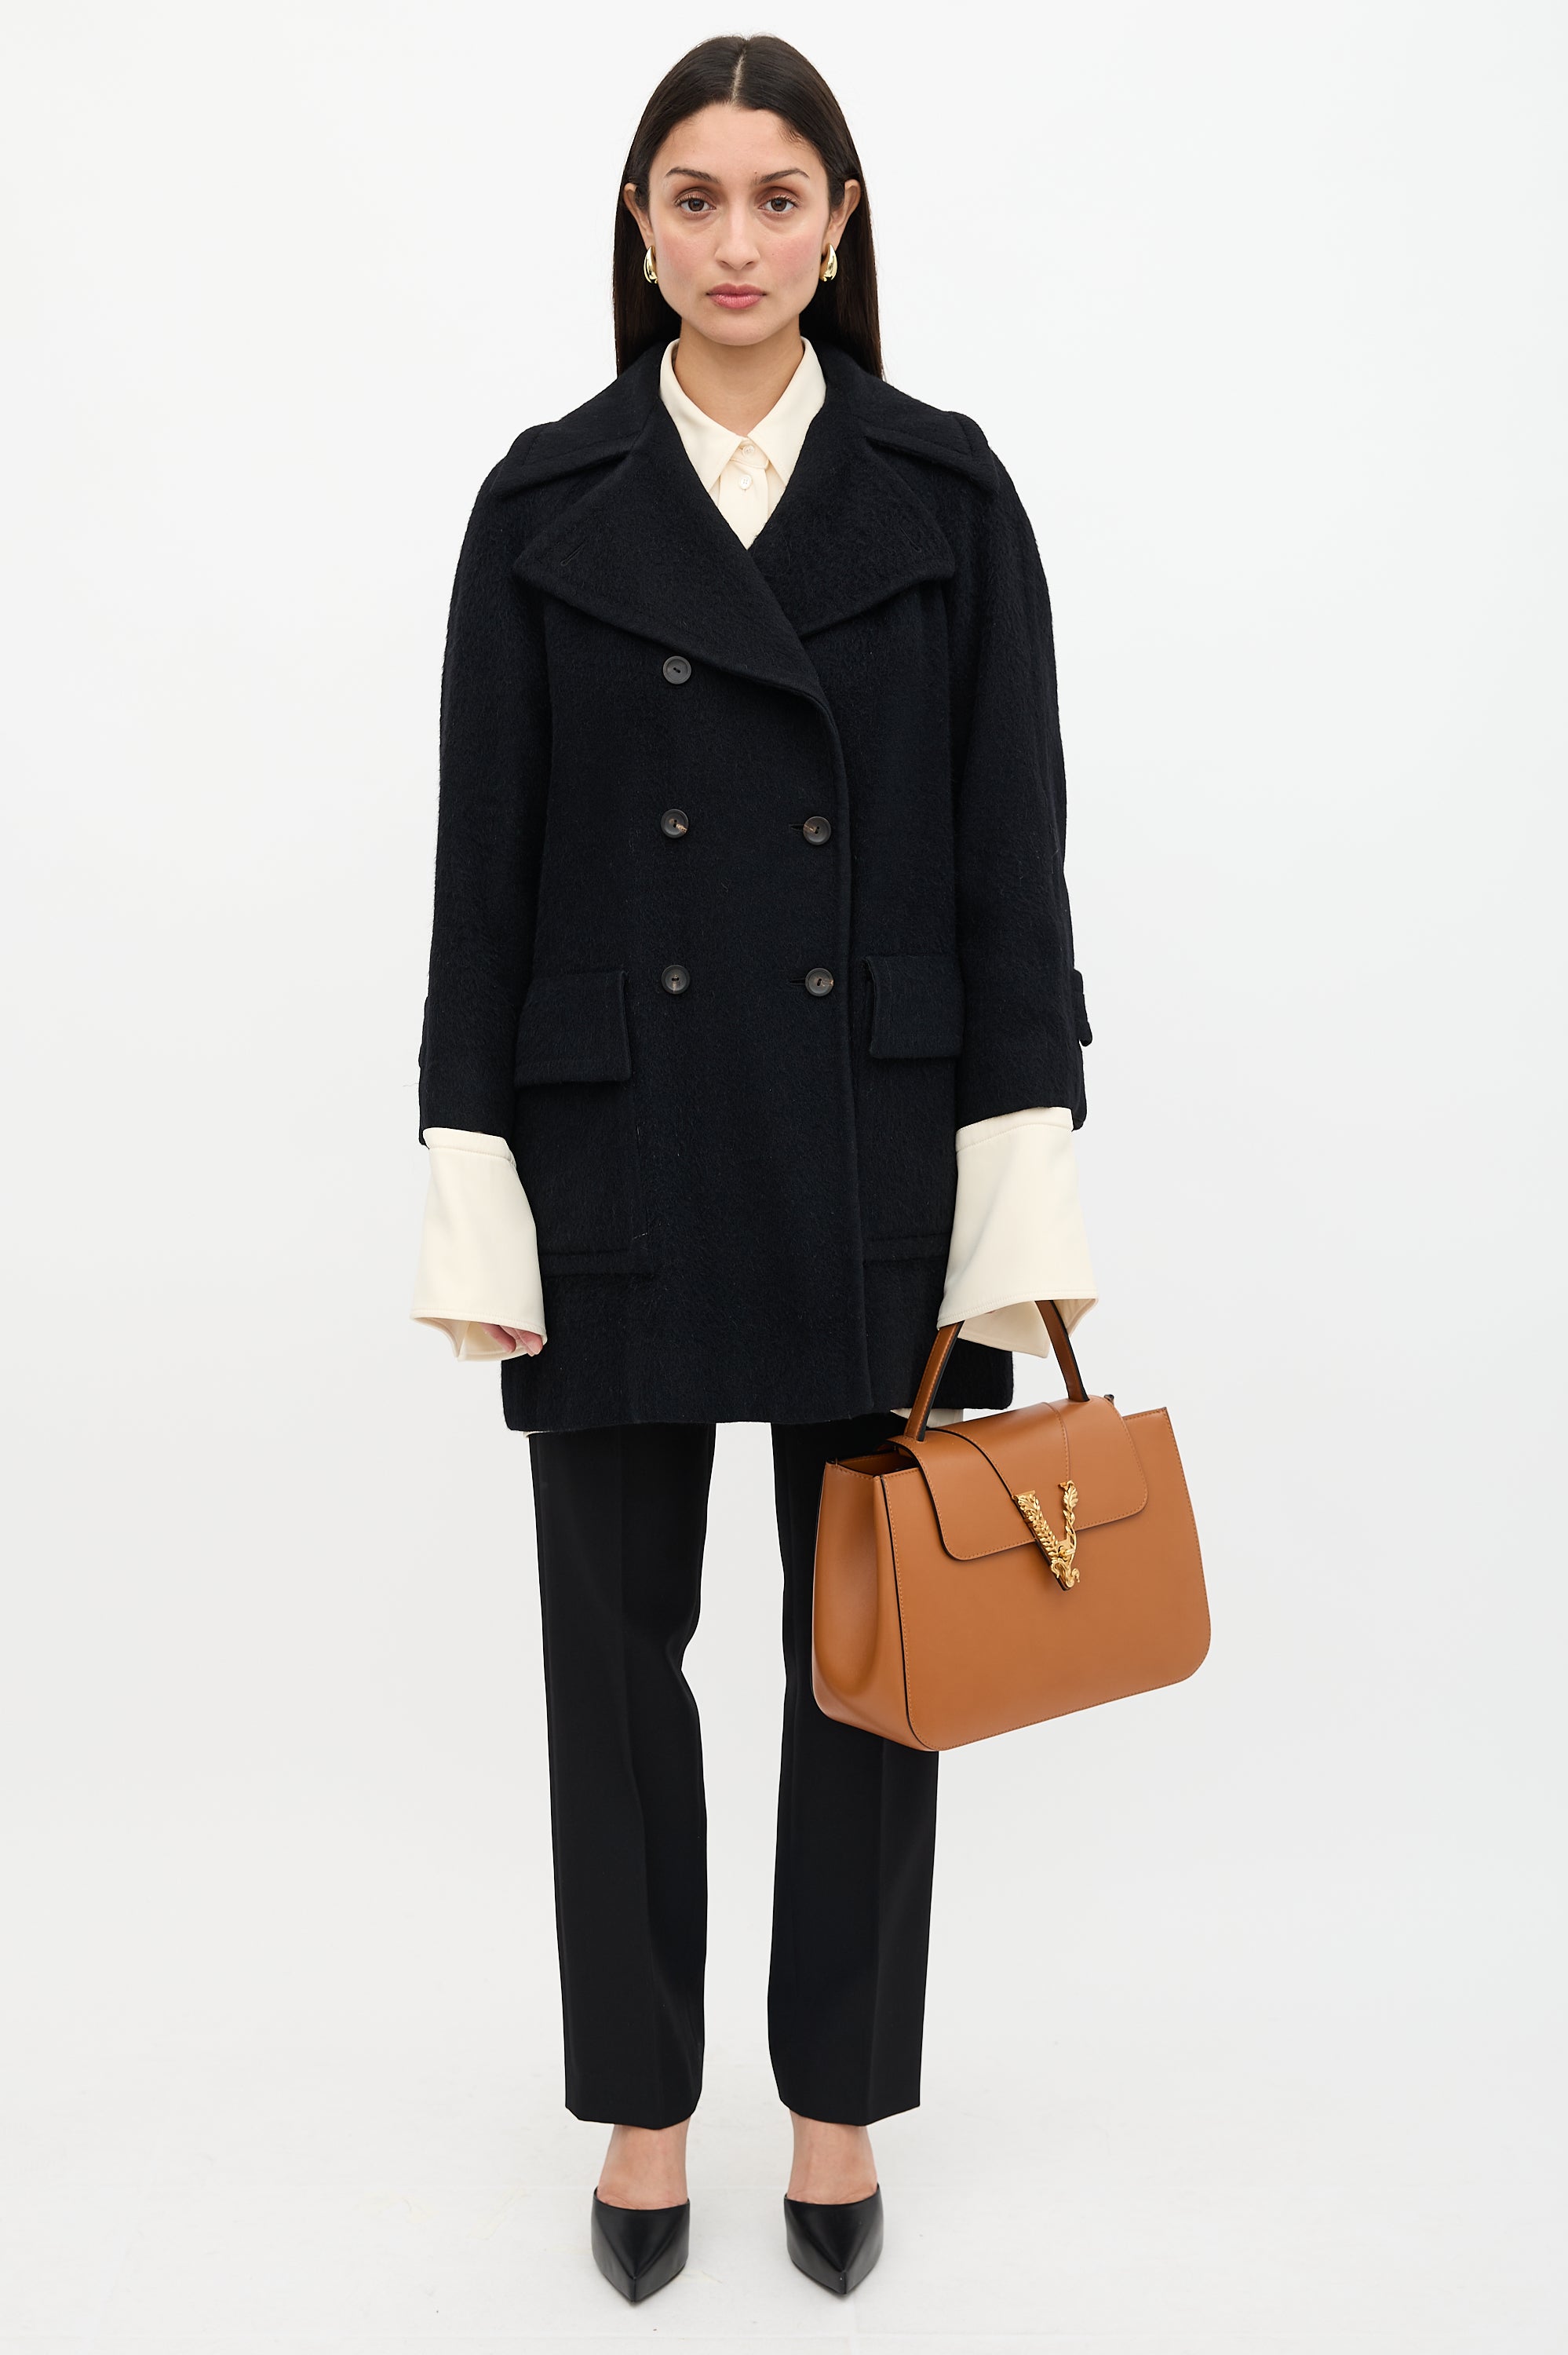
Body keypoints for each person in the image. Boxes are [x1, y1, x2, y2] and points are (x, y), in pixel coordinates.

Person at [410, 33, 1096, 2304]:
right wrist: (470, 1166)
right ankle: (641, 2112)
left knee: (876, 1657)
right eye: (693, 199)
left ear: (841, 222)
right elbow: (483, 875)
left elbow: (1011, 859)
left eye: (777, 197)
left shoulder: (946, 493)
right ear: (639, 227)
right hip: (612, 1140)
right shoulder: (543, 502)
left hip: (875, 1133)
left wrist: (1022, 1173)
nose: (735, 241)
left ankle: (833, 2109)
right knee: (613, 1667)